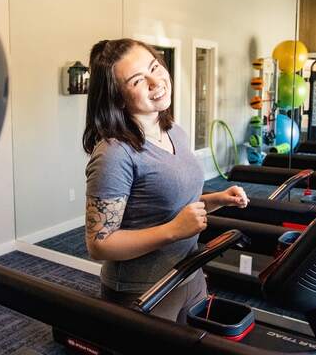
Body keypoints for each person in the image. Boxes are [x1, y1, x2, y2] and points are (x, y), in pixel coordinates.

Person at [82, 38, 249, 323]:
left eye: (155, 67)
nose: (155, 81)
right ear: (119, 97)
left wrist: (215, 200)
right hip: (143, 291)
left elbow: (169, 205)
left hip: (188, 272)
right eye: (137, 80)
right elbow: (99, 244)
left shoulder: (173, 131)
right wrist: (173, 230)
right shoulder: (115, 154)